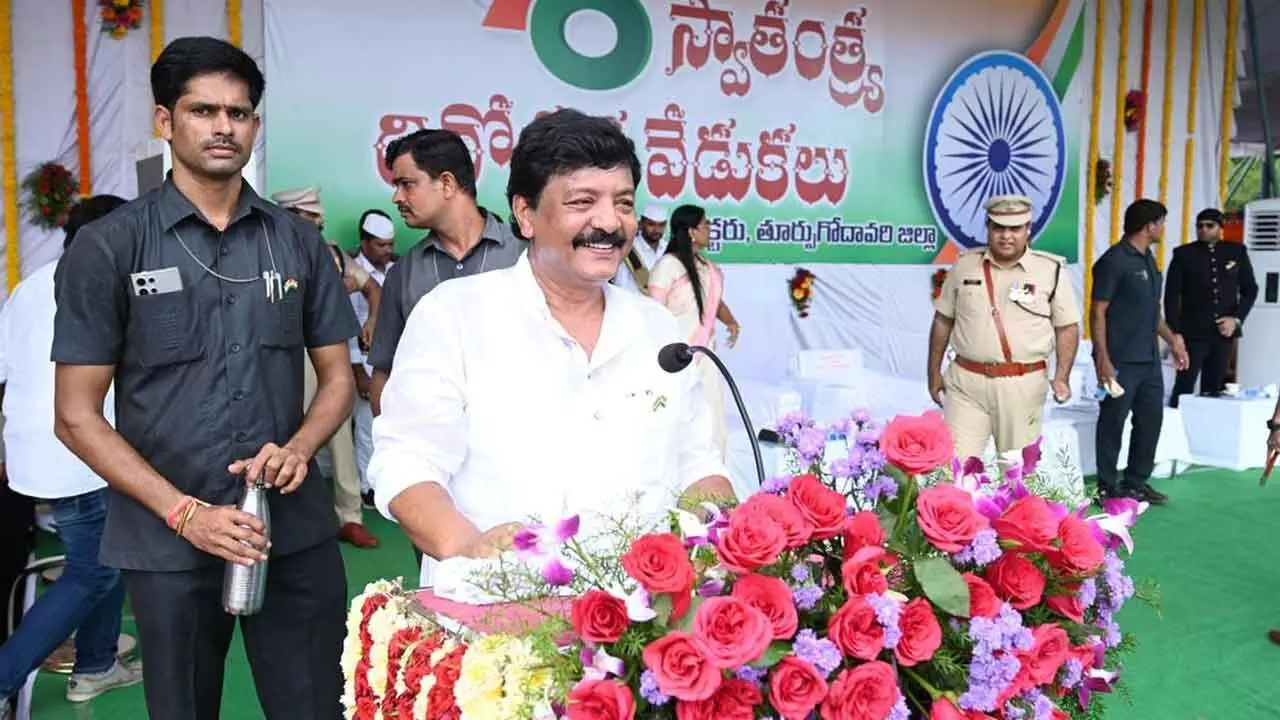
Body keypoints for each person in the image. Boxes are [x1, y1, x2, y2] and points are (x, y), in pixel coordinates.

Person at [51, 37, 359, 719]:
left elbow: (337, 377)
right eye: (204, 110)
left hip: (292, 530)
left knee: (316, 705)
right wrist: (185, 513)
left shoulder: (297, 242)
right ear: (166, 121)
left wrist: (301, 448)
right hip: (168, 540)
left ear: (255, 124)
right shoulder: (110, 247)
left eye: (240, 113)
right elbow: (75, 414)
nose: (224, 127)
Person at [367, 109, 736, 587]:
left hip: (639, 625)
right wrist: (468, 545)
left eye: (623, 203)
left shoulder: (656, 328)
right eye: (583, 202)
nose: (609, 222)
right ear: (526, 214)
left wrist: (723, 529)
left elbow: (696, 461)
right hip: (496, 622)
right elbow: (407, 462)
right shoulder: (453, 315)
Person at [0, 195, 142, 714]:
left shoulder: (32, 284)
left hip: (40, 450)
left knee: (108, 558)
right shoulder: (108, 284)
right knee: (93, 572)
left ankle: (97, 664)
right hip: (81, 452)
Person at [366, 129, 524, 417]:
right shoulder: (403, 274)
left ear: (448, 183)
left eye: (407, 184)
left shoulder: (525, 256)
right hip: (436, 450)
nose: (396, 197)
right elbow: (385, 375)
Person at [928, 195, 1081, 460]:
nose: (1006, 236)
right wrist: (932, 372)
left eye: (1015, 228)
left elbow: (1067, 327)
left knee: (1016, 473)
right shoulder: (964, 265)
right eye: (999, 227)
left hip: (1022, 384)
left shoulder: (1050, 270)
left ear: (1028, 229)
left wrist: (1062, 376)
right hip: (966, 382)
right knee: (956, 471)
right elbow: (943, 320)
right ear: (987, 227)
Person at [272, 186, 380, 548]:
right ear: (290, 215)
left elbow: (374, 289)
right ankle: (285, 521)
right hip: (282, 354)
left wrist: (372, 319)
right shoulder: (267, 248)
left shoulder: (330, 251)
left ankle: (349, 516)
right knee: (282, 433)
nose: (317, 225)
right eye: (310, 218)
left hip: (328, 352)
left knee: (338, 433)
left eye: (318, 219)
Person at [1091, 199, 1189, 506]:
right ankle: (1107, 485)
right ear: (1150, 226)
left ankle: (1136, 481)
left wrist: (1172, 340)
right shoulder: (1114, 261)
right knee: (1112, 422)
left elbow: (1152, 311)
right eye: (1161, 222)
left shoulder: (1148, 259)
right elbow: (1097, 312)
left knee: (1151, 420)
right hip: (1119, 359)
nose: (1163, 228)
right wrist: (1102, 359)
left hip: (1148, 360)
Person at [647, 204, 741, 458]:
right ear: (690, 231)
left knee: (712, 421)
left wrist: (731, 322)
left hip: (706, 358)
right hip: (673, 359)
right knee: (676, 424)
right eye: (706, 225)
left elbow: (713, 301)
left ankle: (713, 485)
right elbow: (651, 312)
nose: (710, 230)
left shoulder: (707, 267)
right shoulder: (668, 266)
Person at [1164, 207, 1258, 406]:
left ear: (1220, 228)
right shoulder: (1183, 254)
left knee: (1213, 389)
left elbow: (1250, 289)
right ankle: (1174, 430)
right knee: (1184, 387)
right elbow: (1171, 297)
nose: (1204, 230)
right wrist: (1175, 333)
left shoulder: (1236, 251)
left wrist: (1236, 319)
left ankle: (1207, 432)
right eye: (1200, 226)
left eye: (1209, 225)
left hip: (1223, 334)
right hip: (1193, 334)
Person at [349, 210, 396, 504]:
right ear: (365, 242)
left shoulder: (397, 268)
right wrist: (357, 371)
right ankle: (368, 489)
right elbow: (347, 324)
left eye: (390, 244)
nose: (388, 250)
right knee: (367, 425)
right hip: (361, 359)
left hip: (393, 357)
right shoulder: (351, 273)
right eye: (381, 245)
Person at [612, 204, 668, 292]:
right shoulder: (629, 247)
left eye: (661, 225)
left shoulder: (667, 248)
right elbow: (620, 283)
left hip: (658, 303)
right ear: (641, 224)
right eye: (651, 224)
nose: (657, 230)